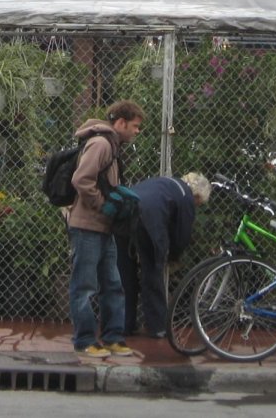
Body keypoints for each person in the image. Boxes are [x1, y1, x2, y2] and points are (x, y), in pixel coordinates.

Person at [66, 99, 144, 358]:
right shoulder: (101, 144)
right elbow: (81, 179)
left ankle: (113, 337)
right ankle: (85, 340)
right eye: (134, 126)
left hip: (103, 227)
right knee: (85, 286)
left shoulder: (112, 146)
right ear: (120, 122)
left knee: (112, 284)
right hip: (87, 226)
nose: (137, 131)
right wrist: (103, 204)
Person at [116, 171, 212, 338]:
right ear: (197, 195)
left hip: (123, 213)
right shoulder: (186, 197)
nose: (197, 206)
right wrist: (173, 257)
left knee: (125, 272)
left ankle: (124, 323)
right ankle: (157, 327)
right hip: (149, 220)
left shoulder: (166, 182)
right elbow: (182, 234)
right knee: (152, 272)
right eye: (199, 203)